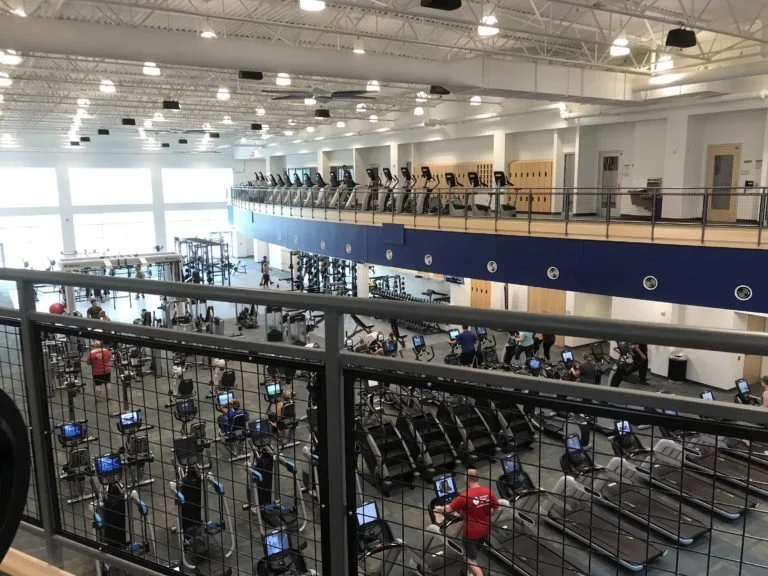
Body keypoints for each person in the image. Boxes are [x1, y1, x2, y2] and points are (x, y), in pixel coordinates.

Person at [433, 469, 499, 576]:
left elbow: (449, 509)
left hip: (472, 533)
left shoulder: (465, 496)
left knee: (470, 559)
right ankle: (469, 573)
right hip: (486, 529)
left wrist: (438, 508)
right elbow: (495, 508)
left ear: (467, 479)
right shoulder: (488, 492)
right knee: (473, 552)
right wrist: (483, 514)